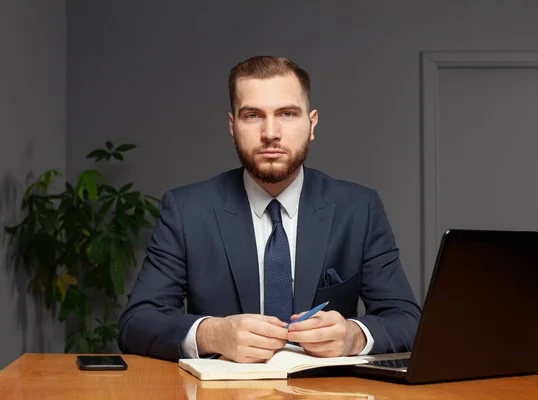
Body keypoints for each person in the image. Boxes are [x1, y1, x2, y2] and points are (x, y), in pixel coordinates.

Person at [118, 55, 422, 363]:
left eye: (287, 113)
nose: (270, 133)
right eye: (252, 115)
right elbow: (137, 322)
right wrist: (213, 334)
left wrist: (354, 336)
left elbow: (407, 320)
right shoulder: (186, 210)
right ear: (232, 126)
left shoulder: (358, 208)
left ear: (311, 123)